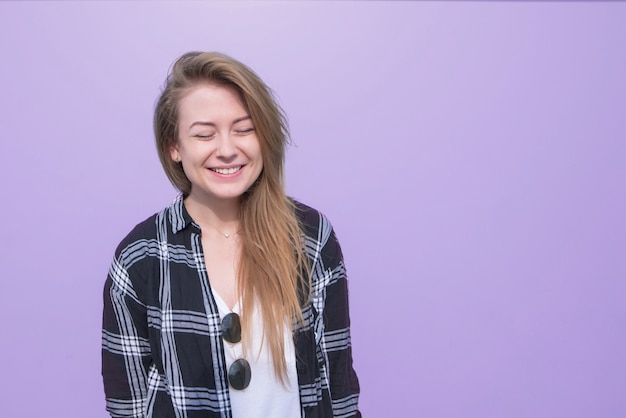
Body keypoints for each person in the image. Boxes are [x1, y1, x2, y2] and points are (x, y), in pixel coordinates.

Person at [101, 51, 361, 418]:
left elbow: (340, 389)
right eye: (205, 134)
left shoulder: (310, 237)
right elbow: (127, 405)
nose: (227, 150)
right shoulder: (139, 257)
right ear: (174, 147)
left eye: (244, 129)